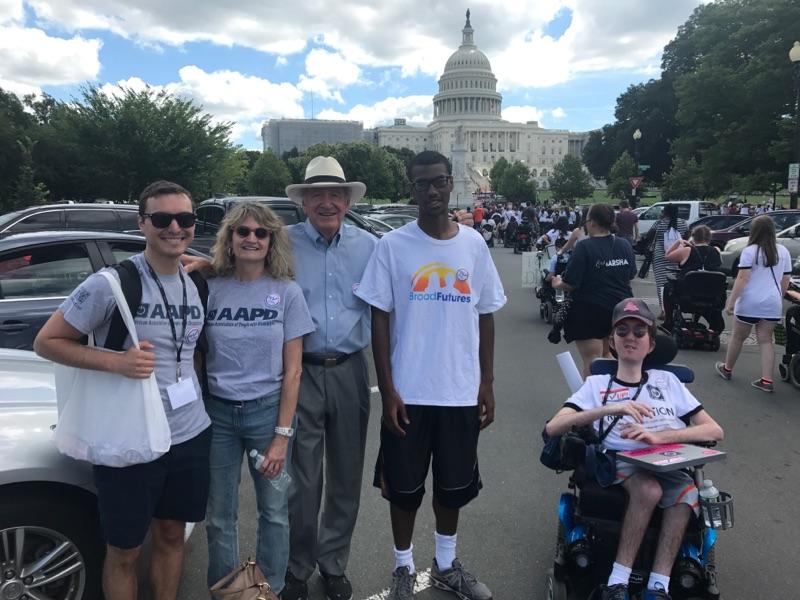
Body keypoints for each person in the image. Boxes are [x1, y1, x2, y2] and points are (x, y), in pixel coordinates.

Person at [34, 181, 211, 600]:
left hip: (189, 432)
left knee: (172, 536)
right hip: (129, 438)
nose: (174, 228)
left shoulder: (197, 281)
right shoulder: (110, 284)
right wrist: (117, 362)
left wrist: (211, 263)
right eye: (162, 219)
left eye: (184, 219)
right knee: (125, 551)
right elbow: (47, 342)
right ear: (142, 224)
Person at [356, 150, 506, 600]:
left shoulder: (474, 244)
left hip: (459, 391)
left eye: (439, 181)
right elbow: (378, 318)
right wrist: (388, 388)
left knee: (453, 487)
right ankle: (403, 567)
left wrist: (486, 382)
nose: (432, 191)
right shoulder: (392, 246)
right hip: (410, 391)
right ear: (412, 188)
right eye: (422, 184)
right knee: (402, 490)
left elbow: (485, 314)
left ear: (450, 181)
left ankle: (444, 564)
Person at [545, 298, 724, 600]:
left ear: (651, 344)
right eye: (623, 331)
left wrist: (661, 437)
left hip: (669, 458)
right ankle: (618, 582)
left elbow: (714, 430)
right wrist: (609, 408)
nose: (630, 337)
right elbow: (553, 427)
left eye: (639, 332)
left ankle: (659, 586)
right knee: (649, 490)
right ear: (612, 342)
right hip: (622, 461)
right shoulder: (597, 383)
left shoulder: (668, 381)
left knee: (687, 494)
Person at [203, 203, 314, 594]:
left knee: (275, 512)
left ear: (271, 241)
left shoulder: (287, 293)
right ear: (230, 239)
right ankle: (230, 593)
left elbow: (294, 371)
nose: (251, 238)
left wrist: (282, 436)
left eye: (260, 233)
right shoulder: (210, 288)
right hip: (218, 416)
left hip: (267, 415)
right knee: (219, 516)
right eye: (243, 231)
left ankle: (268, 591)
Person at [282, 156, 377, 600]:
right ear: (303, 202)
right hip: (299, 371)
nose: (326, 202)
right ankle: (297, 567)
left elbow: (387, 311)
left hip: (351, 370)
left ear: (346, 200)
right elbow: (237, 270)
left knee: (345, 475)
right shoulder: (280, 244)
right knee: (300, 480)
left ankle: (333, 563)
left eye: (334, 195)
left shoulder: (369, 246)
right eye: (316, 195)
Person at [552, 204, 636, 377]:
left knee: (593, 362)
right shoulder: (624, 245)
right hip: (620, 310)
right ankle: (614, 395)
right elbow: (631, 274)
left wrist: (557, 283)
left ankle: (594, 401)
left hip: (589, 310)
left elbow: (571, 283)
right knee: (610, 356)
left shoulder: (585, 247)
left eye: (587, 220)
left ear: (593, 222)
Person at [715, 215, 792, 392]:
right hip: (772, 302)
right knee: (765, 341)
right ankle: (767, 380)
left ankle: (727, 368)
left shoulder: (750, 251)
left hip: (750, 301)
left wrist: (731, 301)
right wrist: (777, 296)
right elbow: (785, 279)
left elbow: (742, 278)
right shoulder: (783, 251)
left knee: (738, 337)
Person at [662, 225, 724, 333]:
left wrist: (679, 242)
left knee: (668, 287)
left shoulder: (687, 250)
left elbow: (667, 256)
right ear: (709, 238)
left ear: (693, 237)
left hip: (687, 295)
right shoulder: (716, 251)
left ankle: (669, 320)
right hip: (711, 296)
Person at [651, 204, 689, 318]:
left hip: (660, 256)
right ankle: (675, 308)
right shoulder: (683, 223)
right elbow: (687, 236)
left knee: (661, 283)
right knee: (676, 282)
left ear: (665, 212)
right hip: (677, 255)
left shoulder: (660, 223)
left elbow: (650, 235)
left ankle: (664, 310)